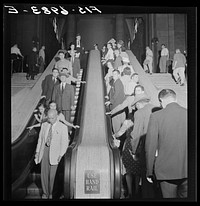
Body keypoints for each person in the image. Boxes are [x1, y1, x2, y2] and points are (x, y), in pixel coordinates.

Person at [145, 89, 187, 198]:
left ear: (161, 101)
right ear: (175, 98)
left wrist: (149, 171)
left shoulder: (156, 116)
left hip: (166, 171)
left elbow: (150, 146)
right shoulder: (188, 113)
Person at [113, 93, 156, 198]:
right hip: (155, 147)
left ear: (138, 104)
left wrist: (134, 151)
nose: (135, 107)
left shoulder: (138, 114)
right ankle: (138, 191)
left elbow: (135, 135)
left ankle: (133, 193)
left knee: (130, 170)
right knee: (143, 173)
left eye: (135, 105)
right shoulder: (156, 109)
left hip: (137, 146)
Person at [34, 109, 69, 199]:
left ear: (57, 116)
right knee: (44, 174)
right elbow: (40, 140)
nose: (50, 120)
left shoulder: (63, 127)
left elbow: (65, 143)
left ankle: (52, 194)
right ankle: (45, 193)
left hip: (56, 153)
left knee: (53, 176)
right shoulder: (44, 125)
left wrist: (61, 155)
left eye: (52, 118)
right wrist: (37, 152)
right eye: (49, 118)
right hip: (44, 151)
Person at [105, 69, 126, 133]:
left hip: (117, 106)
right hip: (119, 106)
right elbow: (114, 92)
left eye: (115, 74)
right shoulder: (116, 82)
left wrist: (110, 101)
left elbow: (116, 94)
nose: (113, 75)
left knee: (116, 124)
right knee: (120, 124)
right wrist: (108, 96)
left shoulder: (118, 82)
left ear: (118, 75)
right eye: (113, 74)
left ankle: (117, 138)